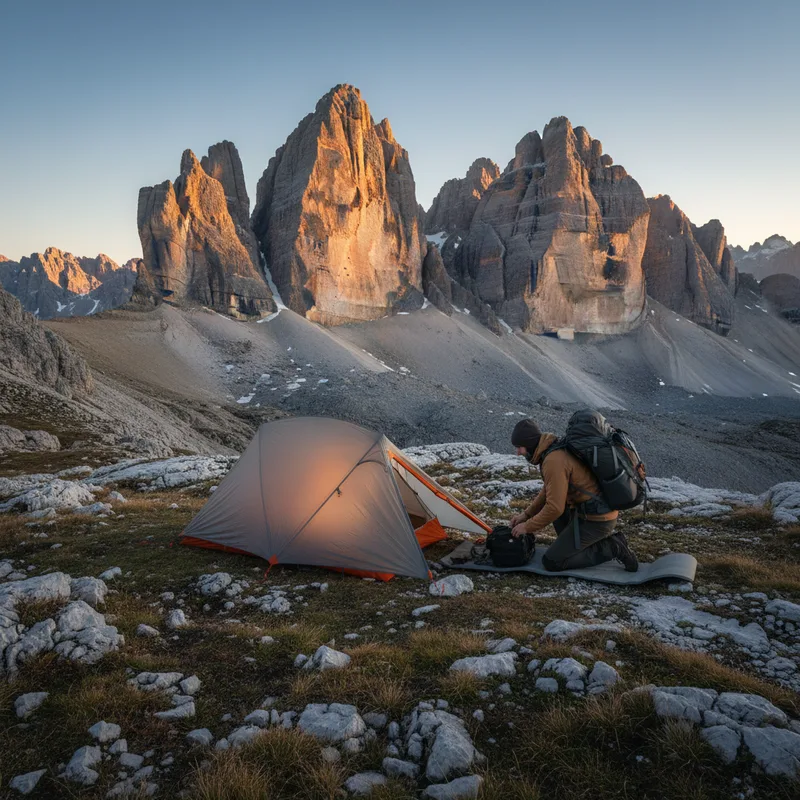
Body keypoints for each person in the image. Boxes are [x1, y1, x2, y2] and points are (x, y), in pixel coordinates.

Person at [508, 418, 638, 572]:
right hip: (588, 512)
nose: (518, 453)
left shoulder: (553, 461)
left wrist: (527, 527)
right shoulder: (552, 449)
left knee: (552, 561)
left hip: (597, 519)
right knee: (560, 524)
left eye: (519, 447)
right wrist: (526, 515)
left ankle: (614, 546)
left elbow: (554, 508)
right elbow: (547, 492)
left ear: (529, 444)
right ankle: (578, 545)